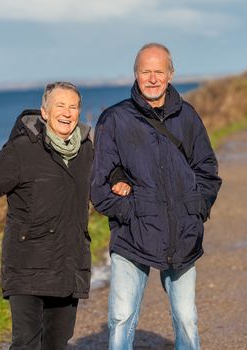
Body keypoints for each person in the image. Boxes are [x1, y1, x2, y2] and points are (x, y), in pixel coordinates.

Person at [0, 81, 130, 350]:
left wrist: (119, 177)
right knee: (26, 344)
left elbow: (110, 168)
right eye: (60, 106)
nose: (67, 113)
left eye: (73, 107)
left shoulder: (88, 150)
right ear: (44, 112)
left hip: (69, 266)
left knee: (57, 345)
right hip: (27, 266)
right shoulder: (21, 151)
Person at [91, 43, 222, 350]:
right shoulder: (114, 120)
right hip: (133, 235)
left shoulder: (187, 117)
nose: (152, 79)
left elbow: (207, 170)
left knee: (187, 320)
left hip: (182, 233)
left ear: (171, 74)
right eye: (145, 71)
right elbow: (99, 185)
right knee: (121, 319)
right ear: (135, 74)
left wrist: (195, 209)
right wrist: (131, 212)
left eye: (158, 72)